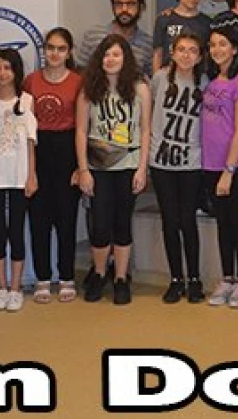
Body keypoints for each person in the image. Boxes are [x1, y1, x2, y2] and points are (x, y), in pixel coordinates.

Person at [75, 34, 150, 305]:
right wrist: (83, 169)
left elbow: (145, 130)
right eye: (106, 54)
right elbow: (81, 131)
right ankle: (98, 273)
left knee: (122, 223)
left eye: (116, 54)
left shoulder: (140, 89)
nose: (110, 59)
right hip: (98, 167)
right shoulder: (89, 90)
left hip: (128, 165)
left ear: (126, 58)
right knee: (100, 223)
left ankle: (120, 277)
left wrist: (142, 169)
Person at [24, 27, 83, 304]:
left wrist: (80, 166)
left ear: (69, 52)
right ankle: (43, 277)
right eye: (50, 48)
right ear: (44, 50)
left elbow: (83, 126)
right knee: (39, 219)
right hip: (39, 149)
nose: (55, 53)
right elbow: (25, 126)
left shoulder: (78, 82)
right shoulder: (31, 81)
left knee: (66, 218)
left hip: (68, 149)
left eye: (61, 49)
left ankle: (67, 275)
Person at [0, 49, 38, 313]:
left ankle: (16, 288)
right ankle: (1, 287)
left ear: (16, 71)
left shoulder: (27, 100)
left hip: (18, 176)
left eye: (8, 68)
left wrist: (31, 175)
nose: (3, 73)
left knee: (16, 231)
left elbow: (31, 142)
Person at [150, 33, 206, 304]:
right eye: (181, 49)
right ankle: (175, 279)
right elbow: (149, 111)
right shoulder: (160, 78)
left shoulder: (204, 82)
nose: (186, 55)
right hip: (161, 161)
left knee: (187, 220)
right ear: (172, 53)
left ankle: (194, 278)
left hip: (191, 162)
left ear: (200, 56)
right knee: (169, 221)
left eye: (192, 50)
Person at [202, 28, 238, 308]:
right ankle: (226, 278)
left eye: (223, 44)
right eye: (213, 44)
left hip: (235, 164)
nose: (217, 49)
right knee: (222, 222)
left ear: (234, 49)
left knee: (237, 220)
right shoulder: (210, 82)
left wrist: (229, 170)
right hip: (210, 163)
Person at [76, 0, 153, 79]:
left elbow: (151, 79)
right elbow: (80, 71)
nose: (124, 9)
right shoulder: (93, 35)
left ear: (141, 8)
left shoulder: (148, 43)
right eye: (118, 4)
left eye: (130, 4)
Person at [152, 0, 212, 73]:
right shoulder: (164, 19)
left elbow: (208, 56)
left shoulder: (207, 23)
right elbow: (157, 54)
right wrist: (156, 79)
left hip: (197, 78)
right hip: (168, 77)